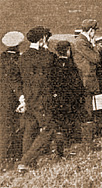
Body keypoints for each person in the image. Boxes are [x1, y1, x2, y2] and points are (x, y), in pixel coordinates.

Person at [17, 26, 56, 173]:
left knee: (30, 130)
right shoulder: (45, 56)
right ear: (42, 39)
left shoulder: (23, 56)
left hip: (28, 99)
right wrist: (45, 48)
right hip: (41, 99)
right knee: (48, 129)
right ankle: (25, 162)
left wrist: (24, 100)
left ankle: (28, 164)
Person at [52, 41, 85, 157]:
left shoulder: (54, 64)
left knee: (60, 126)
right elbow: (77, 85)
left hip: (57, 101)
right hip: (70, 100)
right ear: (68, 50)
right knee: (70, 124)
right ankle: (69, 148)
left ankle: (59, 151)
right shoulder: (71, 65)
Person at [72, 18, 101, 149]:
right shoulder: (82, 42)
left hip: (86, 80)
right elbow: (96, 58)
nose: (95, 33)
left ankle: (89, 141)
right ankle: (89, 143)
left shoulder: (81, 41)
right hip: (85, 81)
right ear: (90, 31)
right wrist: (95, 46)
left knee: (88, 111)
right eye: (94, 31)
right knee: (87, 111)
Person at [1, 31, 25, 171]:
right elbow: (16, 82)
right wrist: (21, 97)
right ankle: (11, 156)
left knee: (4, 128)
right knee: (14, 127)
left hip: (2, 99)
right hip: (12, 99)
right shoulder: (17, 60)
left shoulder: (1, 58)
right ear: (18, 46)